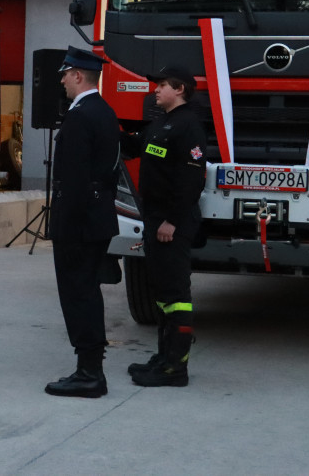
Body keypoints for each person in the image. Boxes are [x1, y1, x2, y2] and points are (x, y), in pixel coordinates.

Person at [121, 67, 207, 387]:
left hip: (173, 223)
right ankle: (164, 356)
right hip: (155, 219)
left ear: (180, 89)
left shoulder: (189, 126)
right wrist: (106, 126)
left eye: (161, 86)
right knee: (162, 294)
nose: (155, 90)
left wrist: (172, 220)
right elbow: (134, 147)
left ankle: (176, 367)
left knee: (175, 295)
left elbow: (192, 180)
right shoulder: (161, 122)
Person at [44, 46, 120, 398]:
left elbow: (73, 180)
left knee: (78, 295)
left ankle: (89, 373)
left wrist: (65, 228)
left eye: (65, 74)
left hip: (79, 223)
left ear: (78, 76)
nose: (61, 80)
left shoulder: (81, 115)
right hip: (97, 217)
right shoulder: (103, 110)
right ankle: (90, 367)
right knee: (86, 292)